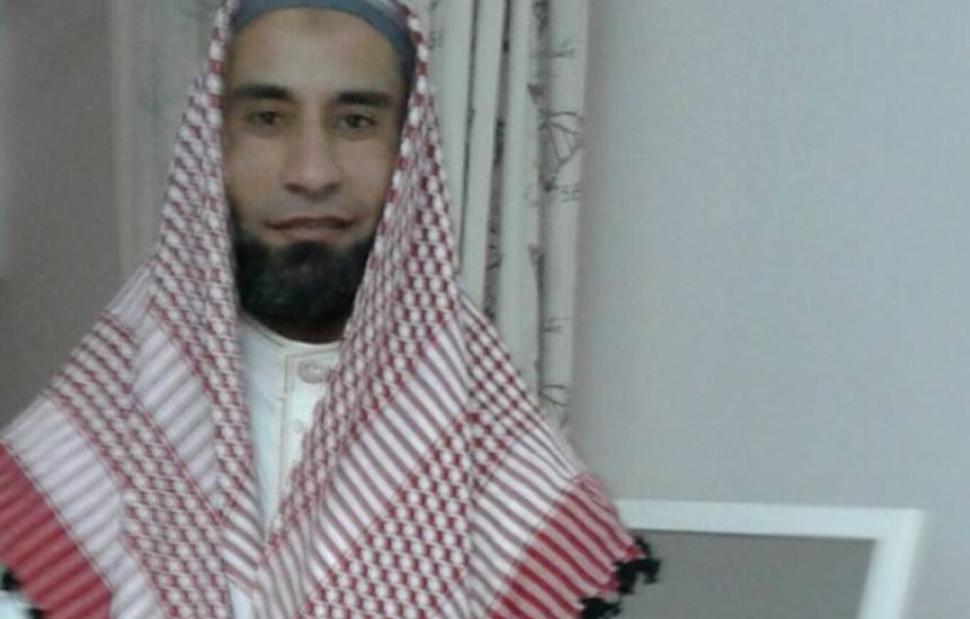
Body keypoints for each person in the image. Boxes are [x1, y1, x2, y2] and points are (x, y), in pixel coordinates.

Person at [0, 1, 658, 617]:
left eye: (355, 122)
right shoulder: (86, 435)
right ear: (213, 146)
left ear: (407, 155)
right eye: (267, 118)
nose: (312, 172)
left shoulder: (503, 457)